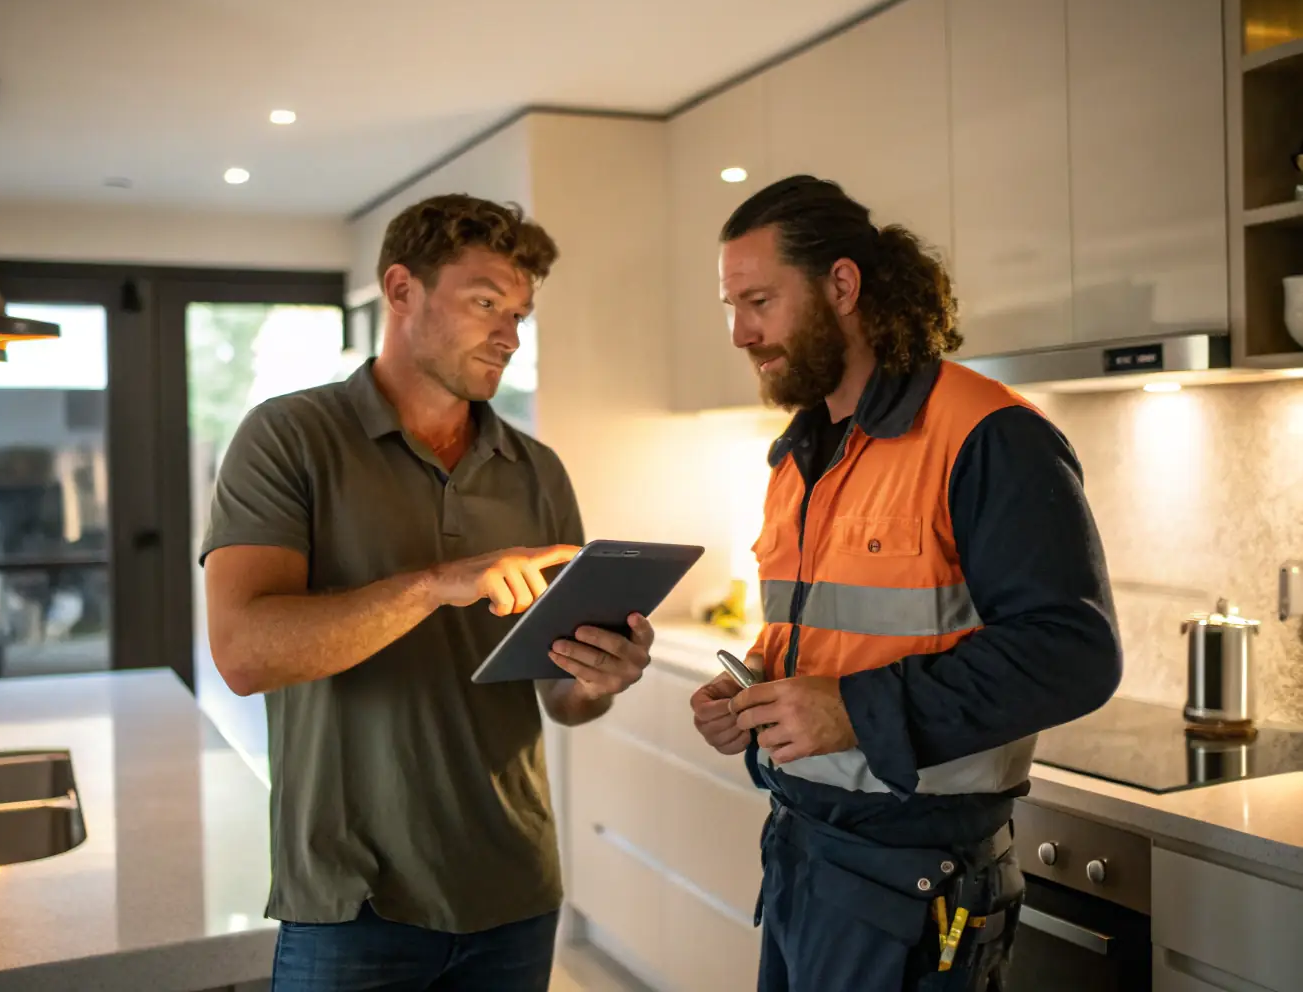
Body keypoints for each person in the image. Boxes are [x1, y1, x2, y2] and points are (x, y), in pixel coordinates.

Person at [201, 193, 656, 992]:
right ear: (402, 290)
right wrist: (435, 584)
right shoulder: (288, 439)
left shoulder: (535, 470)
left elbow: (561, 696)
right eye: (486, 304)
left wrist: (599, 677)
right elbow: (244, 652)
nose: (510, 336)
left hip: (514, 885)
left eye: (520, 313)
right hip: (353, 902)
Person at [690, 176, 1121, 992]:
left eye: (757, 301)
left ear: (841, 286)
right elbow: (830, 635)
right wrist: (752, 695)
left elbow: (1073, 654)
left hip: (916, 878)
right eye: (730, 306)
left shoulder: (987, 435)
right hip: (800, 852)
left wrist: (850, 710)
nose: (740, 333)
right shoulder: (800, 453)